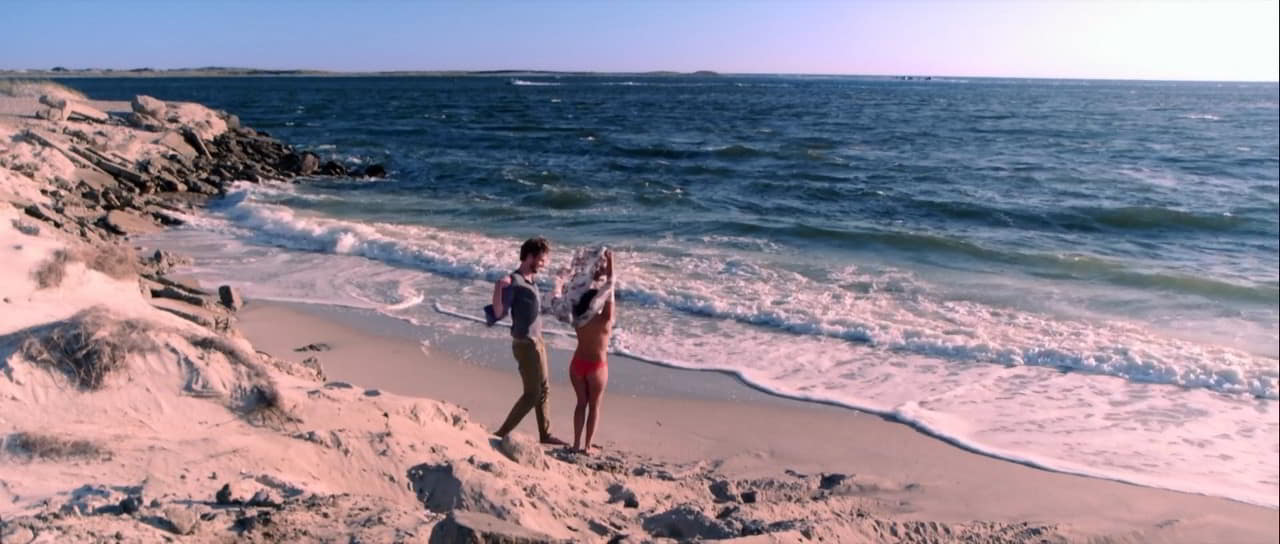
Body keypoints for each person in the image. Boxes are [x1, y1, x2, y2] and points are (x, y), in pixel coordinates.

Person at [489, 237, 566, 445]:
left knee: (544, 389)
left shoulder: (532, 281)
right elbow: (498, 311)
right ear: (530, 257)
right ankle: (500, 433)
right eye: (541, 260)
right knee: (532, 394)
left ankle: (545, 435)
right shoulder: (514, 280)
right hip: (525, 344)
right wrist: (499, 287)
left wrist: (559, 286)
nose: (544, 264)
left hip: (537, 341)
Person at [568, 249, 614, 454]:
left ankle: (576, 444)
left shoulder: (578, 319)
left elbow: (577, 290)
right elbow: (611, 288)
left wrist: (590, 272)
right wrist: (611, 264)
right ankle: (587, 447)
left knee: (580, 404)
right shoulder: (605, 320)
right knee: (594, 406)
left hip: (577, 364)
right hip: (597, 367)